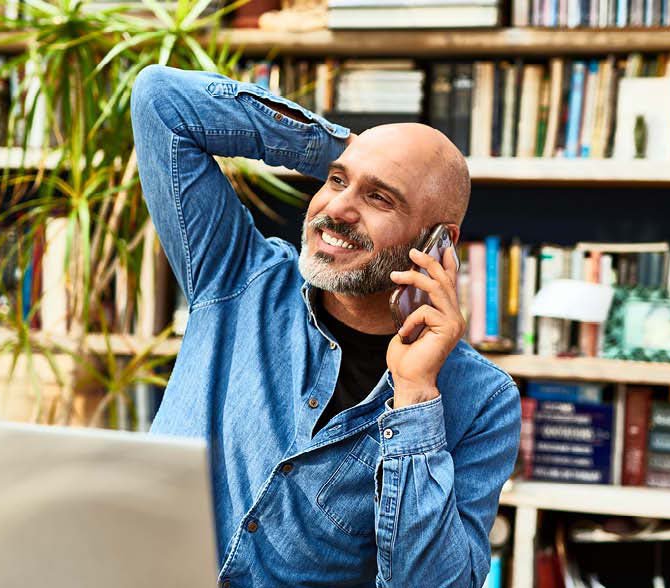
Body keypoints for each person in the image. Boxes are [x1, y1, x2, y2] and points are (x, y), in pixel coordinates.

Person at [131, 65, 520, 588]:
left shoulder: (482, 401)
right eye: (336, 181)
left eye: (379, 197)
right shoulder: (238, 278)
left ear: (438, 242)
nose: (336, 208)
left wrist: (415, 397)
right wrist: (339, 147)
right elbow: (162, 100)